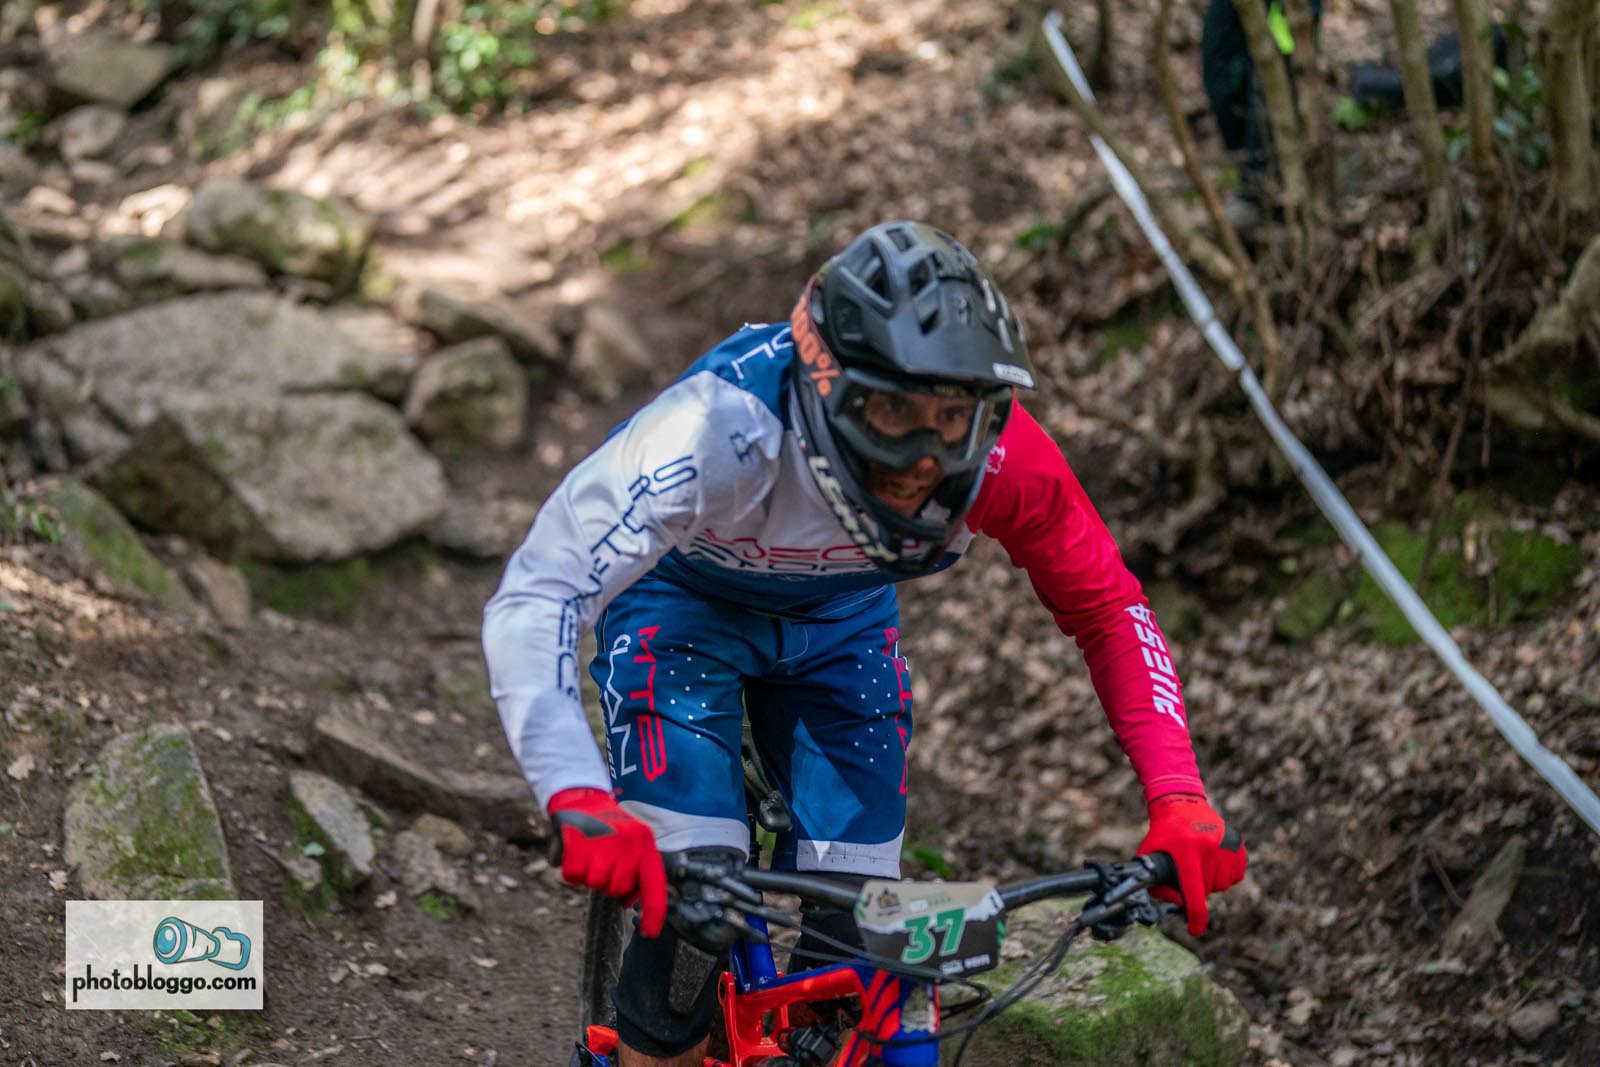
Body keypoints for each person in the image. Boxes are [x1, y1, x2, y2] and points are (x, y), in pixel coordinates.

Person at [483, 221, 1247, 1067]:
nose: (925, 457)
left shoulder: (1006, 460)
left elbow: (1109, 608)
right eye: (894, 413)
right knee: (692, 917)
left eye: (952, 417)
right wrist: (574, 790)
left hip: (842, 624)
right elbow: (542, 589)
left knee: (860, 928)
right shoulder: (718, 429)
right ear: (826, 387)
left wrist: (1179, 796)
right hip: (683, 610)